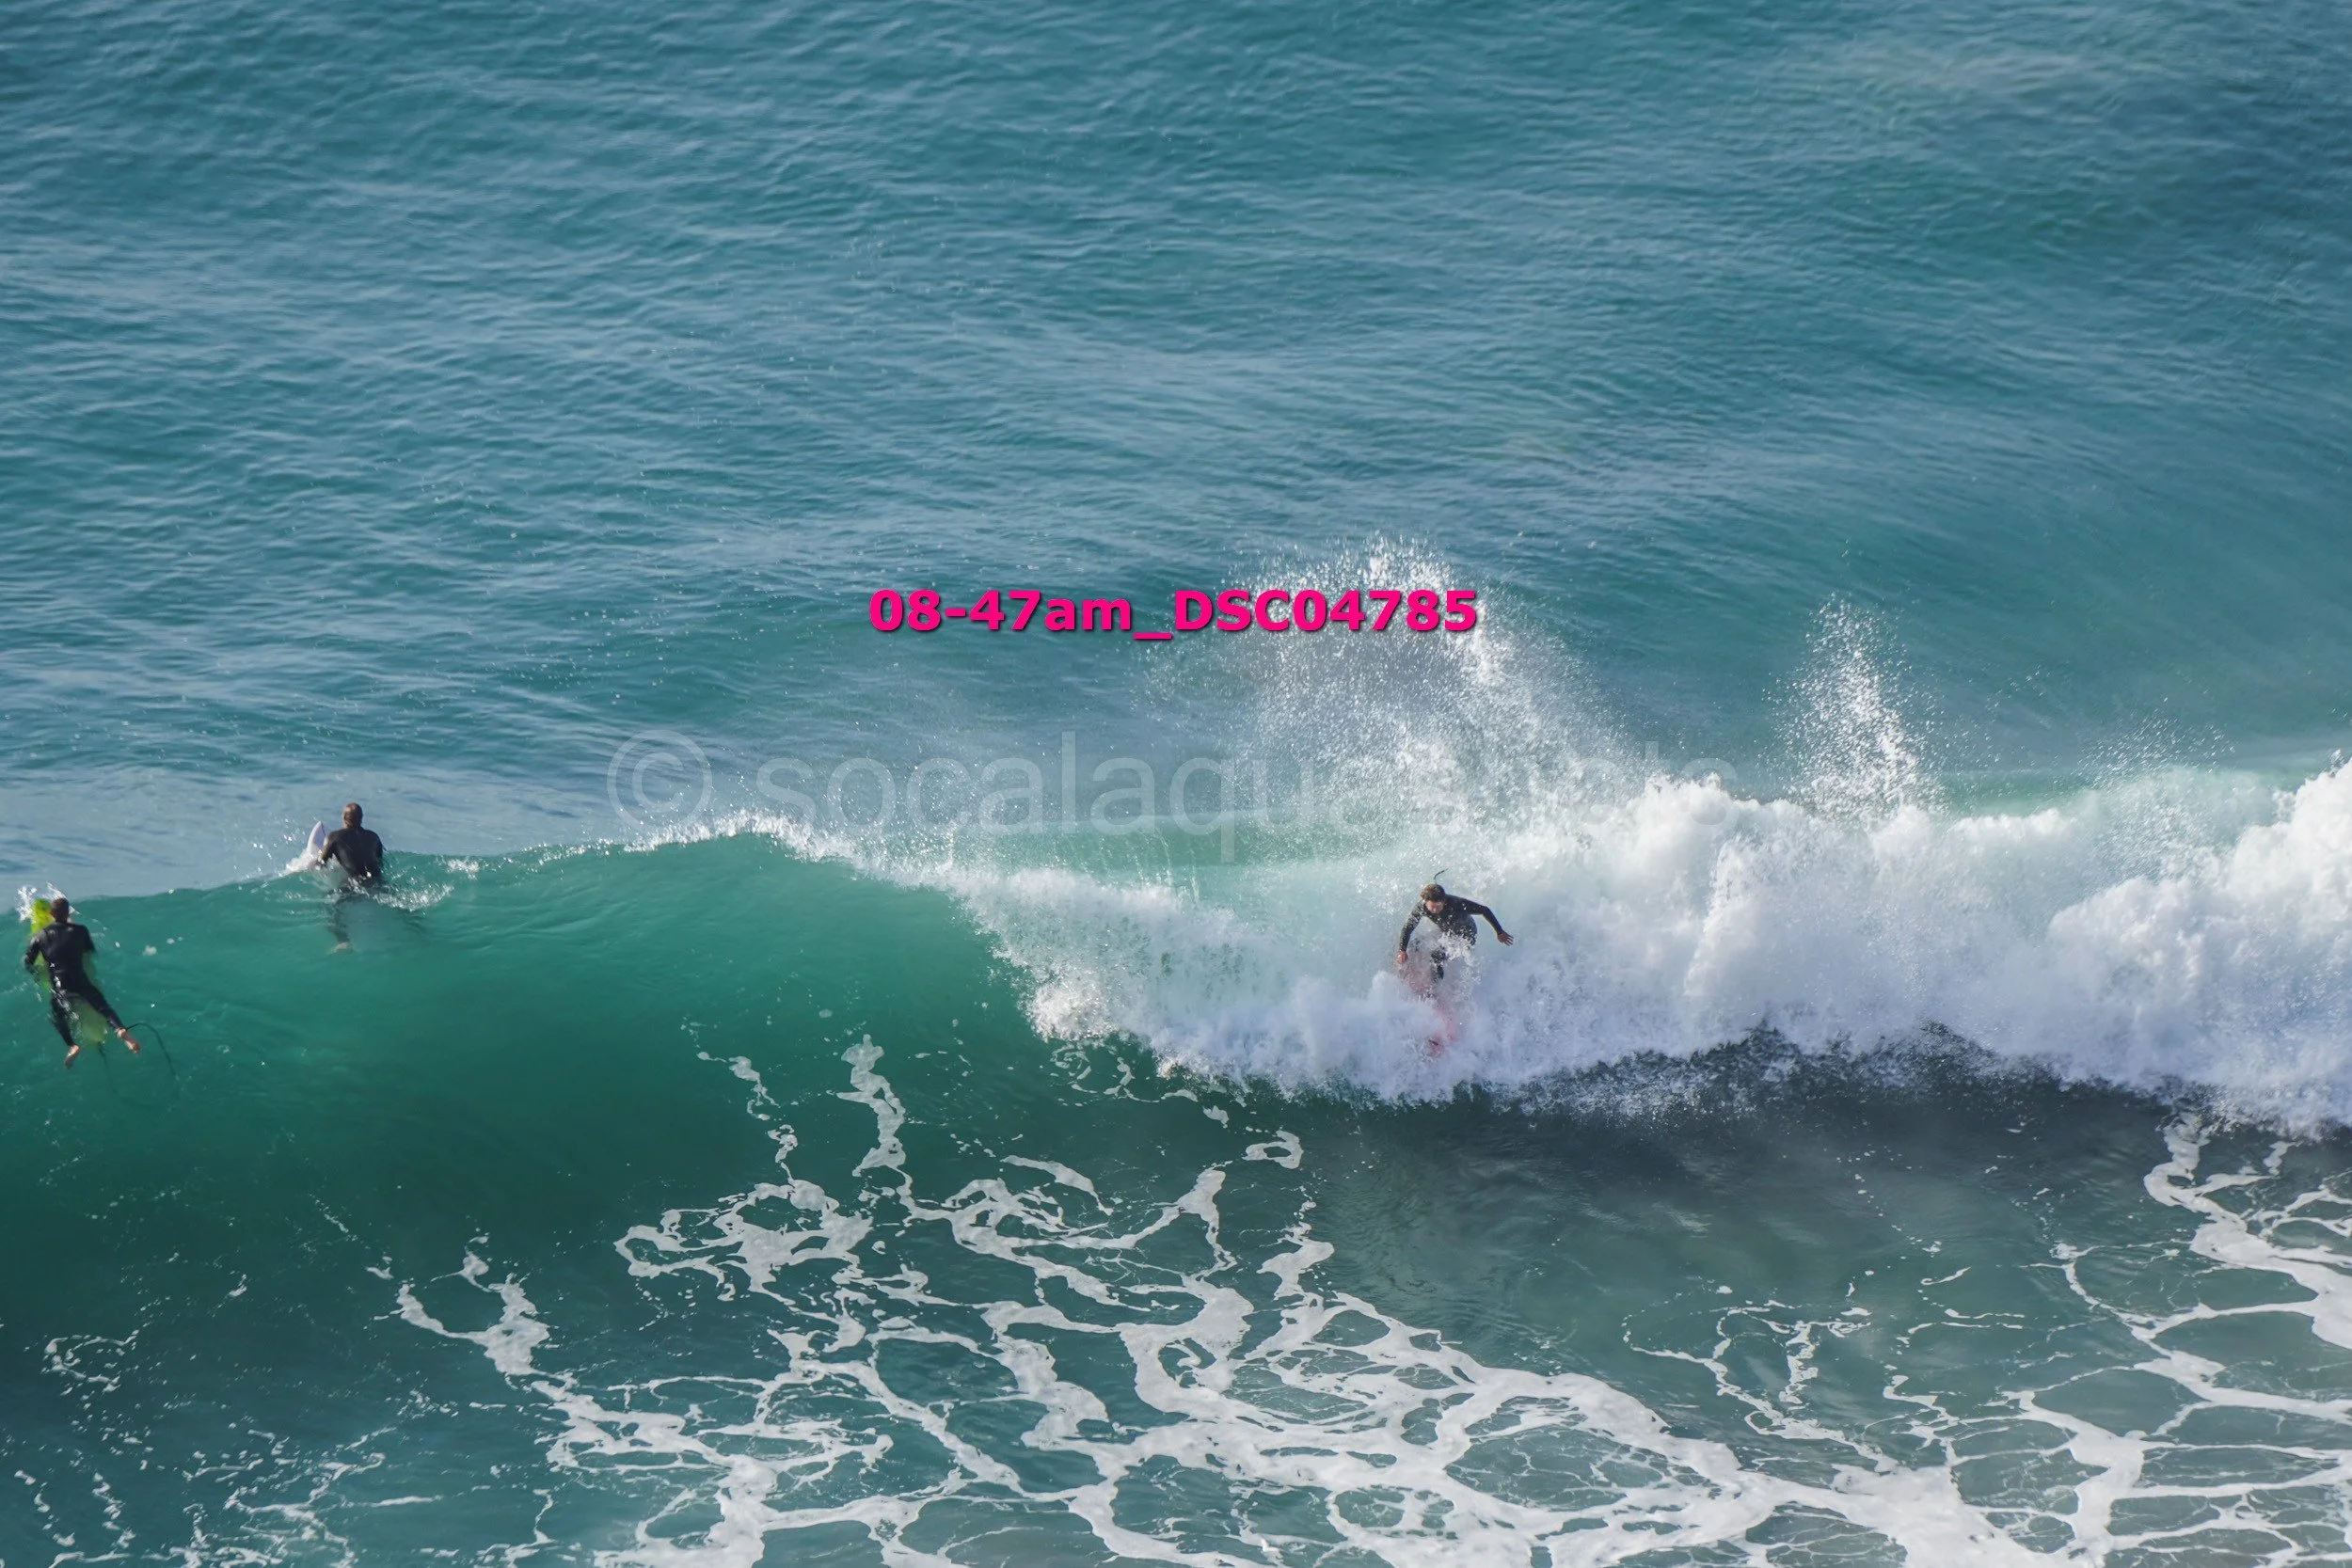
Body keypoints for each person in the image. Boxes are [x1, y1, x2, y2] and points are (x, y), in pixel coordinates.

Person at [23, 896, 142, 1068]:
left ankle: (72, 1046)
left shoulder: (40, 936)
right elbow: (88, 951)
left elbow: (28, 963)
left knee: (58, 1016)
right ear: (68, 913)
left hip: (60, 984)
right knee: (102, 1006)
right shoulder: (81, 931)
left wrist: (37, 971)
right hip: (80, 980)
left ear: (50, 914)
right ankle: (120, 1029)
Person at [1396, 882, 1513, 987]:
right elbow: (1408, 927)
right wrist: (1402, 950)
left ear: (1444, 901)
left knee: (1437, 956)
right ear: (1425, 902)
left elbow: (1484, 910)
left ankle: (1436, 987)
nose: (1436, 910)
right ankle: (1406, 968)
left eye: (1438, 906)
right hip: (1448, 931)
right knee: (1415, 943)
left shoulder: (1456, 904)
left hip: (1466, 935)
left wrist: (1499, 931)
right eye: (1432, 907)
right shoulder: (1421, 908)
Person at [316, 802, 385, 886]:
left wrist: (319, 854)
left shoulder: (334, 837)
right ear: (361, 818)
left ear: (344, 817)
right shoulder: (374, 837)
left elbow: (322, 863)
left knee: (331, 896)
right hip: (377, 879)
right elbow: (380, 861)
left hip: (356, 882)